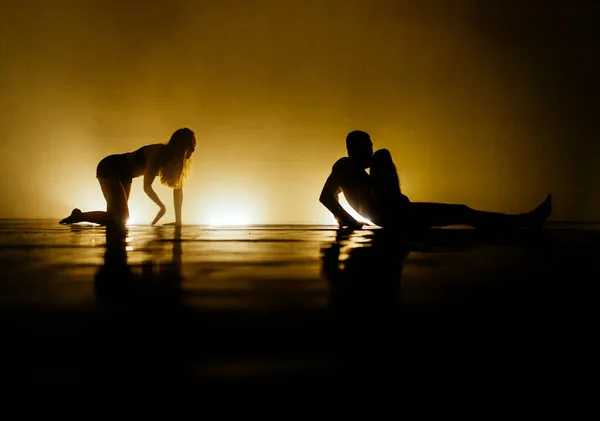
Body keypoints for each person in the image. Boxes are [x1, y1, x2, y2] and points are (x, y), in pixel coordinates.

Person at [319, 130, 552, 230]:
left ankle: (523, 220)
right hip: (393, 215)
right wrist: (350, 222)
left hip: (396, 212)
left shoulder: (353, 174)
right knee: (462, 212)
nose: (371, 149)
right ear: (357, 149)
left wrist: (341, 221)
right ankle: (525, 221)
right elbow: (325, 197)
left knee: (462, 212)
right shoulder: (345, 166)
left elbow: (334, 195)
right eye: (368, 146)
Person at [59, 127, 196, 228]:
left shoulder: (176, 163)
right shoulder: (159, 153)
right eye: (190, 146)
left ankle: (82, 216)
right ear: (180, 146)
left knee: (117, 218)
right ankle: (79, 216)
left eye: (194, 147)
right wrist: (162, 206)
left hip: (125, 175)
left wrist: (178, 221)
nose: (193, 151)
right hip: (111, 166)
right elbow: (146, 187)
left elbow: (178, 190)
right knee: (121, 218)